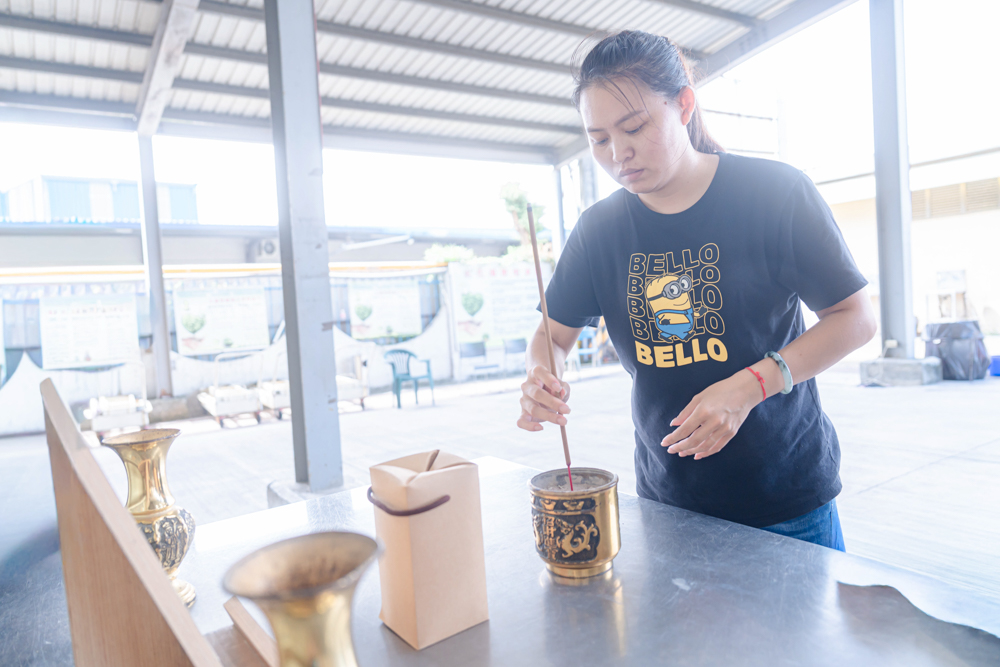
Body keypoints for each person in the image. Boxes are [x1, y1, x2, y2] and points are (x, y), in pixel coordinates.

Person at [517, 31, 877, 551]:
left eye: (634, 127)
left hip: (787, 501)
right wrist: (539, 376)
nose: (619, 153)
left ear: (684, 104)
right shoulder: (599, 230)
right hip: (669, 504)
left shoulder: (773, 193)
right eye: (598, 139)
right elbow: (553, 335)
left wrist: (748, 386)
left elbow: (854, 317)